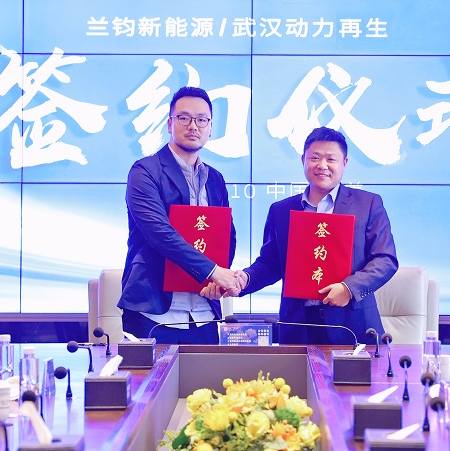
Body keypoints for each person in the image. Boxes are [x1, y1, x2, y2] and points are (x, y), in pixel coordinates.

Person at [206, 126, 397, 345]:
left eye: (331, 159)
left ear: (344, 163)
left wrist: (349, 288)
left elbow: (386, 260)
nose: (322, 165)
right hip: (298, 326)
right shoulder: (281, 210)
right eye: (315, 157)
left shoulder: (367, 204)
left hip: (351, 324)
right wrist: (244, 279)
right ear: (303, 160)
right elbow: (270, 264)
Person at [118, 86, 241, 344]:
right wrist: (212, 271)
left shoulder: (216, 179)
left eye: (201, 119)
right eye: (184, 118)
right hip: (153, 312)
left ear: (210, 127)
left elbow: (225, 237)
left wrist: (217, 280)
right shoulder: (144, 171)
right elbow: (159, 234)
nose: (193, 126)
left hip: (204, 314)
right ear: (169, 124)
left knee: (208, 373)